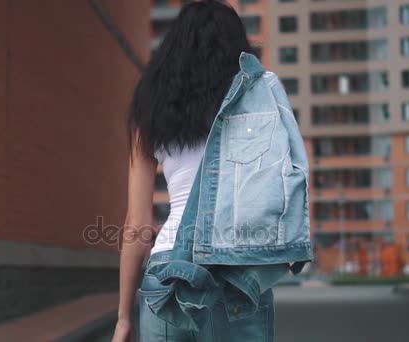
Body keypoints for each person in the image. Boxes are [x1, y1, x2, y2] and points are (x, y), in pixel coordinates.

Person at [113, 1, 312, 341]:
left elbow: (138, 225)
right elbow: (290, 176)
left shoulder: (151, 106)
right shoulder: (260, 94)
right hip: (236, 268)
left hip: (166, 274)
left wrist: (122, 317)